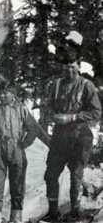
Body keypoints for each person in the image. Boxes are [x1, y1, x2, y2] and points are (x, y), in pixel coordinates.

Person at [40, 53, 102, 222]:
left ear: (78, 67)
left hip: (80, 136)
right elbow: (48, 106)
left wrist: (73, 117)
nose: (69, 70)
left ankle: (74, 213)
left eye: (73, 66)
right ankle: (53, 212)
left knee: (76, 175)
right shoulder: (58, 84)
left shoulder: (86, 85)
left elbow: (96, 111)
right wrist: (54, 116)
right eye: (66, 66)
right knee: (51, 174)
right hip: (60, 136)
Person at [0, 81, 38, 223]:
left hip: (17, 150)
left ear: (13, 94)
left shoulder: (22, 109)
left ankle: (16, 219)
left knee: (17, 187)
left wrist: (24, 143)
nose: (2, 95)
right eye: (0, 92)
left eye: (5, 93)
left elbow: (33, 129)